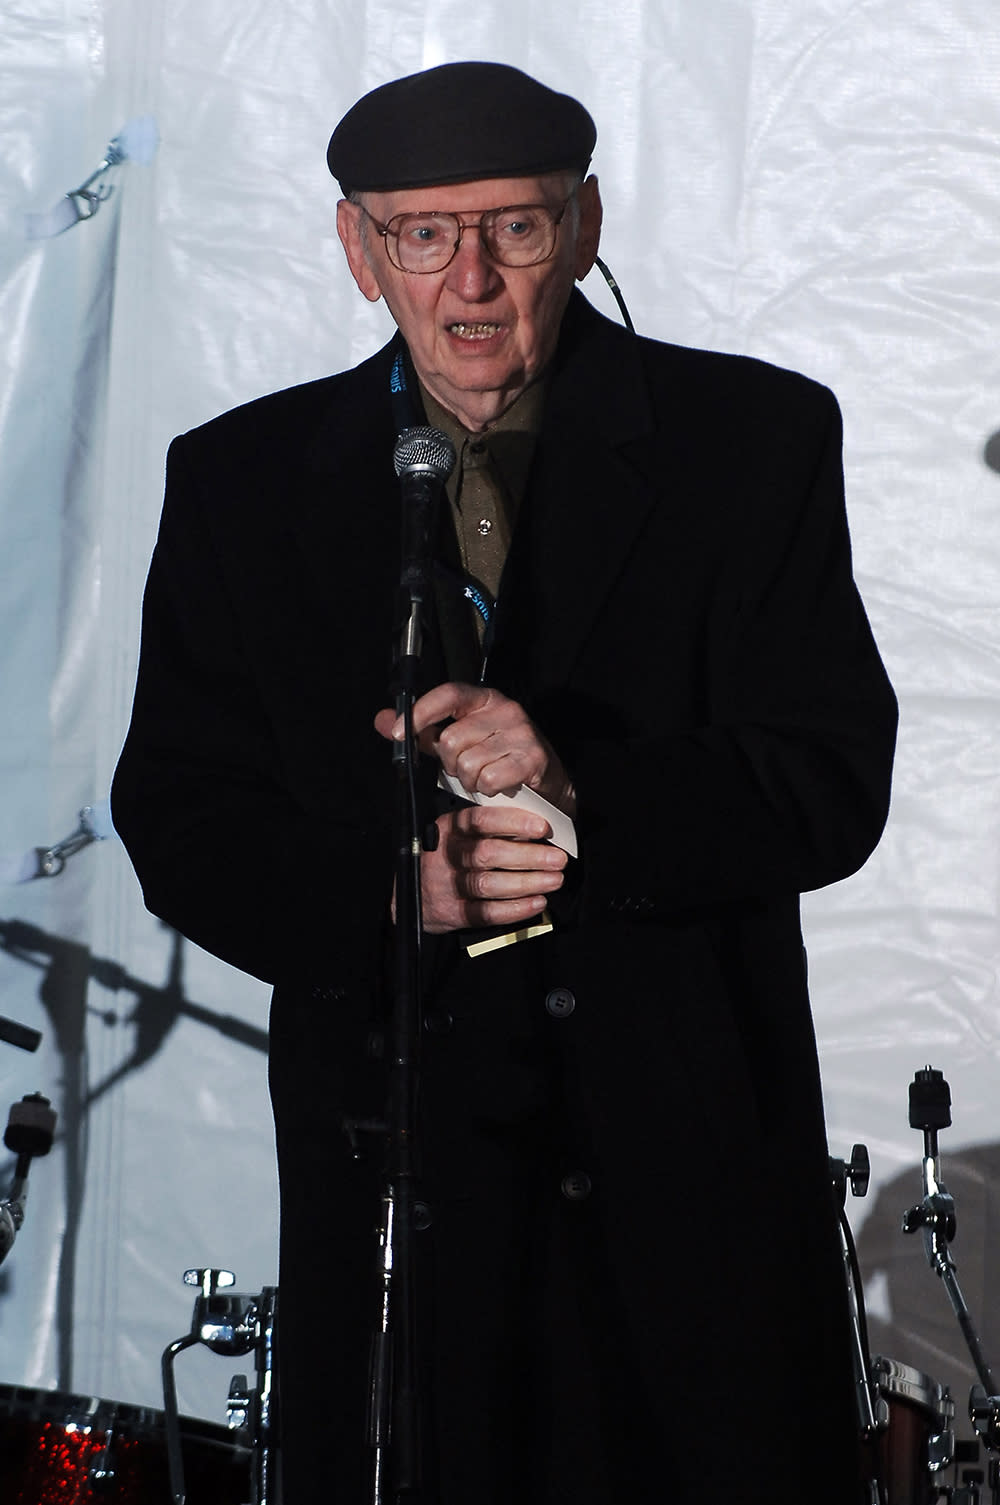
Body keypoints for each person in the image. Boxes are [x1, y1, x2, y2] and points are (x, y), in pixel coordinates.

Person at [112, 60, 897, 1505]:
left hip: (692, 1215)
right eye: (423, 234)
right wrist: (397, 894)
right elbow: (183, 816)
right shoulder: (240, 479)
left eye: (515, 231)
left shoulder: (756, 443)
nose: (470, 279)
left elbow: (830, 778)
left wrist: (581, 792)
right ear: (359, 250)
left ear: (585, 226)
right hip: (407, 1221)